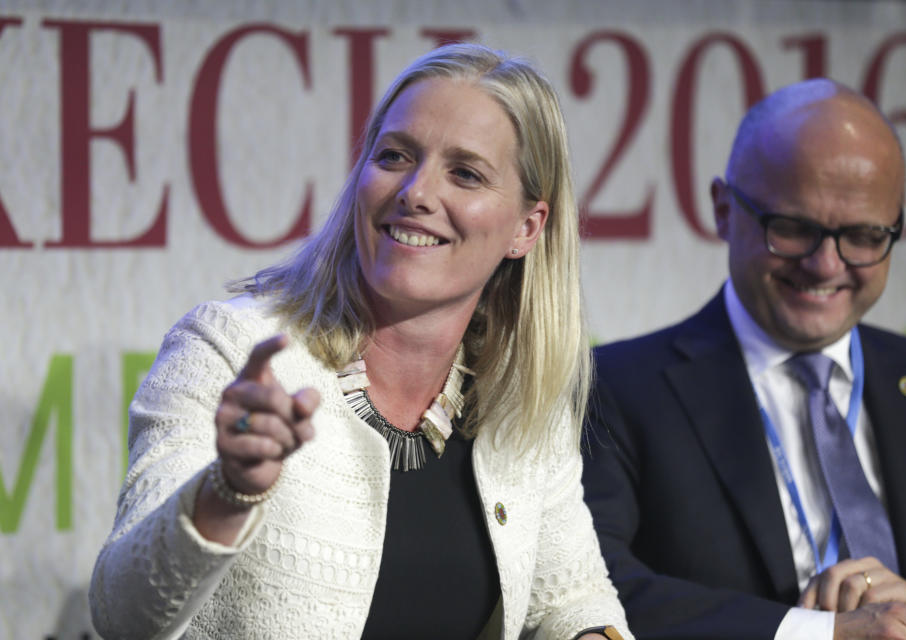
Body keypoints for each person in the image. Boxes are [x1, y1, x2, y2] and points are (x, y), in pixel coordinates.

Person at [89, 43, 630, 640]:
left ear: (526, 229)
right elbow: (122, 616)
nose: (417, 192)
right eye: (395, 156)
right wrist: (228, 491)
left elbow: (571, 600)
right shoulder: (227, 347)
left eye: (466, 173)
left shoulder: (518, 395)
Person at [582, 78, 906, 640]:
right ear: (722, 209)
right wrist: (820, 633)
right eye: (794, 229)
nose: (826, 265)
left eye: (862, 236)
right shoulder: (611, 389)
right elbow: (593, 585)